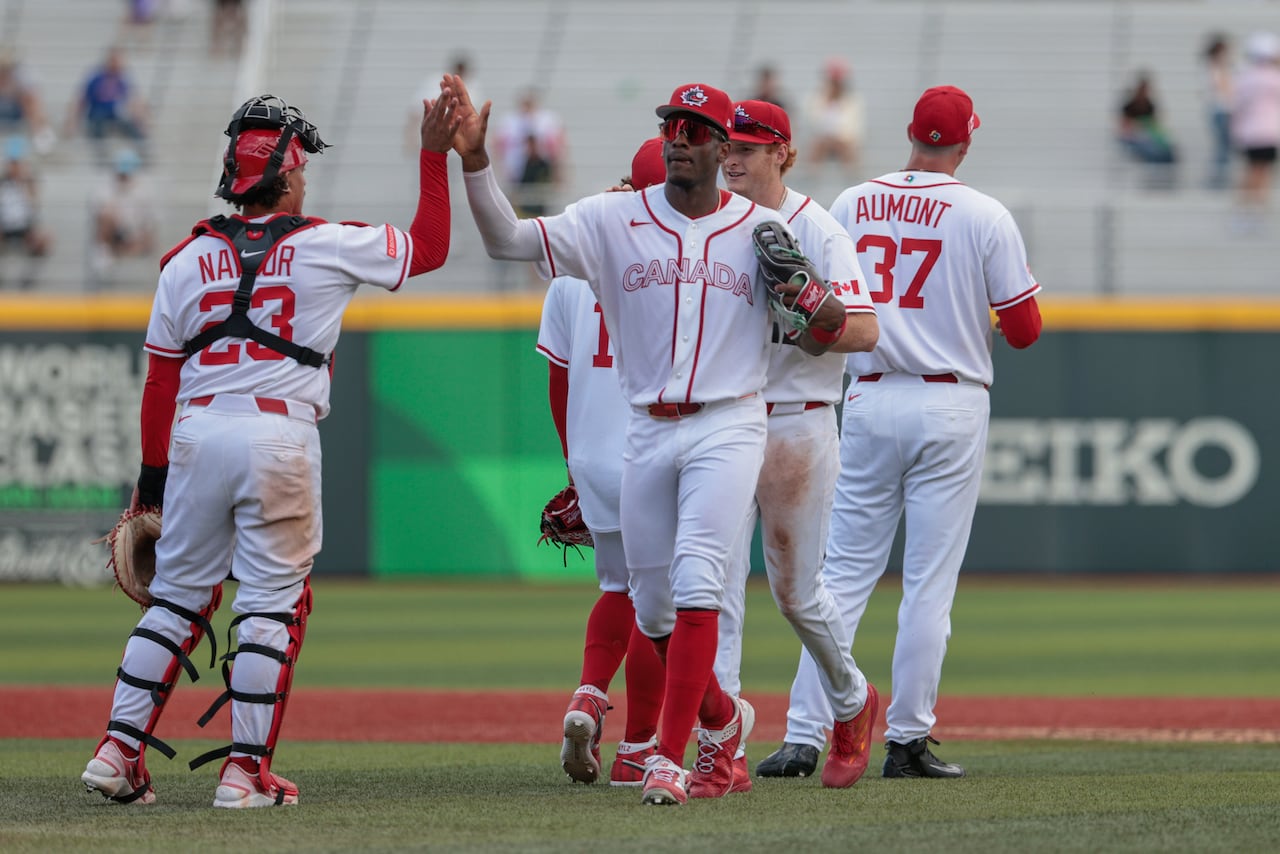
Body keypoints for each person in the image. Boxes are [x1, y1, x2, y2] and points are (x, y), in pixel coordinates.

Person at [447, 75, 835, 806]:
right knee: (653, 612)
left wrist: (816, 302)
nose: (680, 138)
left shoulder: (759, 234)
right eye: (672, 127)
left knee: (694, 589)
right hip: (645, 429)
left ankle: (666, 755)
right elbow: (506, 239)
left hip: (729, 422)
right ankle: (721, 732)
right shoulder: (611, 219)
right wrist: (473, 162)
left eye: (695, 129)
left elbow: (820, 338)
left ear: (724, 147)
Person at [79, 90, 460, 808]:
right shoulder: (327, 242)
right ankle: (244, 772)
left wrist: (149, 484)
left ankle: (116, 749)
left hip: (196, 431)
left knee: (176, 601)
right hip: (278, 431)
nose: (306, 180)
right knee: (271, 605)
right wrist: (432, 154)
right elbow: (431, 248)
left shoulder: (185, 258)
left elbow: (161, 380)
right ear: (285, 177)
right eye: (301, 169)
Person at [764, 85, 1042, 780]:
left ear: (910, 134)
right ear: (965, 142)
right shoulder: (983, 212)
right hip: (949, 399)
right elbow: (1027, 330)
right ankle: (907, 739)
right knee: (927, 585)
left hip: (869, 391)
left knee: (838, 577)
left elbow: (813, 297)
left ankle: (802, 734)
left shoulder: (852, 202)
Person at [712, 99, 881, 790]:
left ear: (785, 153)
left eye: (751, 146)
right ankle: (717, 743)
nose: (734, 156)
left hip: (798, 419)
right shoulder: (711, 224)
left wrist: (814, 310)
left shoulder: (818, 227)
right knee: (712, 588)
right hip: (722, 417)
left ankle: (850, 699)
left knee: (796, 594)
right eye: (730, 144)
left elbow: (865, 334)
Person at [547, 138, 669, 789]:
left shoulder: (573, 262)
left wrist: (572, 462)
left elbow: (557, 381)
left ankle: (590, 695)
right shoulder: (676, 260)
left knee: (616, 587)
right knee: (660, 604)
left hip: (592, 453)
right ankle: (639, 747)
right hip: (651, 449)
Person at [65, 46, 149, 163]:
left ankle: (144, 151)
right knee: (98, 121)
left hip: (116, 114)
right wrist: (72, 122)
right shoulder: (96, 78)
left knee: (130, 123)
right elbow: (82, 100)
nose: (117, 64)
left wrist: (140, 119)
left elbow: (134, 100)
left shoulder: (123, 79)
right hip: (97, 114)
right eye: (115, 60)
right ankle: (101, 155)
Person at [89, 147, 157, 286]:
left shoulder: (144, 191)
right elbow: (101, 214)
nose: (123, 177)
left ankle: (117, 254)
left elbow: (149, 224)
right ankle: (106, 253)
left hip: (134, 235)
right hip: (115, 233)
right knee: (106, 217)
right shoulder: (105, 188)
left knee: (148, 237)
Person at [1231, 31, 1280, 218]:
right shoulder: (1275, 77)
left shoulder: (1246, 77)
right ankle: (1255, 210)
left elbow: (1238, 105)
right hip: (1268, 132)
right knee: (1262, 172)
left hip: (1250, 132)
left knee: (1251, 170)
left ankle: (1244, 209)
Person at [0, 137, 50, 288]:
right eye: (12, 162)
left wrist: (23, 182)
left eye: (17, 162)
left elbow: (34, 207)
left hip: (24, 228)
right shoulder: (2, 182)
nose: (14, 166)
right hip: (4, 227)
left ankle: (28, 278)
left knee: (43, 240)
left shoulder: (29, 182)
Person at [802, 58, 865, 176]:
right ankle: (812, 175)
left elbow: (855, 127)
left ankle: (851, 175)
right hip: (823, 140)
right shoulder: (817, 98)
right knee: (816, 146)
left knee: (848, 148)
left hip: (842, 140)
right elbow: (812, 121)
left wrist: (839, 137)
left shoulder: (852, 100)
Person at [1116, 70, 1177, 185]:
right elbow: (1124, 126)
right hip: (1133, 138)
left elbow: (1155, 124)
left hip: (1148, 135)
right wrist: (1139, 126)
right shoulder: (1129, 105)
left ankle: (1166, 180)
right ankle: (1153, 180)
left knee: (1168, 151)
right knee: (1151, 151)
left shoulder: (1150, 104)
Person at [1203, 33, 1234, 190]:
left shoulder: (1217, 68)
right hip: (1221, 111)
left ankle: (1219, 180)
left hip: (1222, 111)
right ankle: (1217, 182)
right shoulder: (1215, 68)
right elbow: (1224, 89)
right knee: (1222, 148)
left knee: (1224, 147)